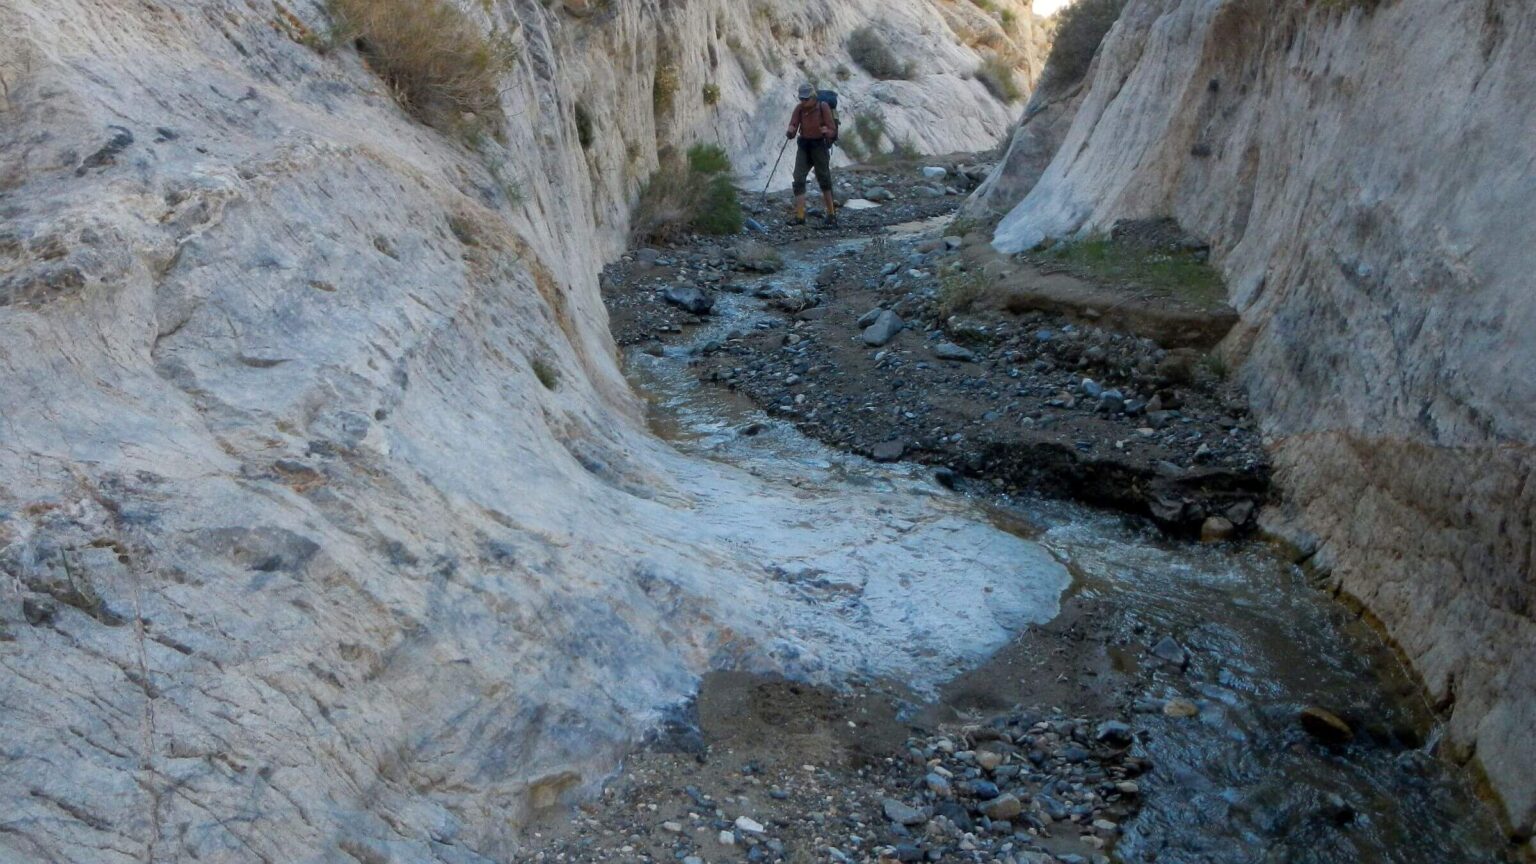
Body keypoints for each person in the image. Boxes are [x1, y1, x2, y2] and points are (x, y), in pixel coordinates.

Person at [785, 84, 837, 226]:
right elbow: (793, 126)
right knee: (798, 178)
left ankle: (832, 214)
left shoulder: (823, 107)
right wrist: (790, 131)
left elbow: (833, 130)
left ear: (813, 97)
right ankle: (800, 216)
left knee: (824, 179)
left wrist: (827, 132)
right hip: (804, 146)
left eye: (805, 99)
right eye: (801, 98)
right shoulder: (799, 109)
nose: (803, 101)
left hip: (819, 146)